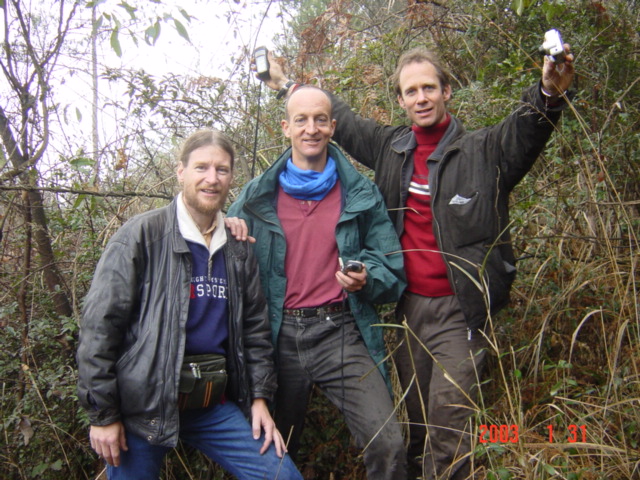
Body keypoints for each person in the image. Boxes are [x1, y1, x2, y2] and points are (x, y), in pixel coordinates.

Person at [256, 41, 575, 479]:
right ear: (402, 100)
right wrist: (284, 84)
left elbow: (526, 130)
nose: (421, 98)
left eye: (429, 87)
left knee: (451, 426)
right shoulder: (393, 148)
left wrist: (549, 95)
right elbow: (339, 120)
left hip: (459, 311)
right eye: (411, 91)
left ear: (447, 91)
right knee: (420, 423)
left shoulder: (484, 152)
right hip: (409, 311)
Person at [76, 129, 302, 480]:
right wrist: (103, 415)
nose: (212, 179)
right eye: (201, 168)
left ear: (231, 177)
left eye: (222, 170)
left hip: (212, 403)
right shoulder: (141, 236)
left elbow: (254, 331)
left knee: (281, 476)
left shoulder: (239, 249)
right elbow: (99, 330)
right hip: (144, 405)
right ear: (180, 171)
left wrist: (259, 398)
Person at [227, 85, 407, 479]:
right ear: (286, 128)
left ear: (332, 126)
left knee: (388, 443)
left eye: (320, 119)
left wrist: (366, 279)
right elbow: (224, 265)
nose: (311, 128)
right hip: (277, 336)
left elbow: (392, 271)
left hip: (339, 331)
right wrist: (227, 230)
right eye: (301, 120)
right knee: (269, 452)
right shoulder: (256, 197)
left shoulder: (359, 192)